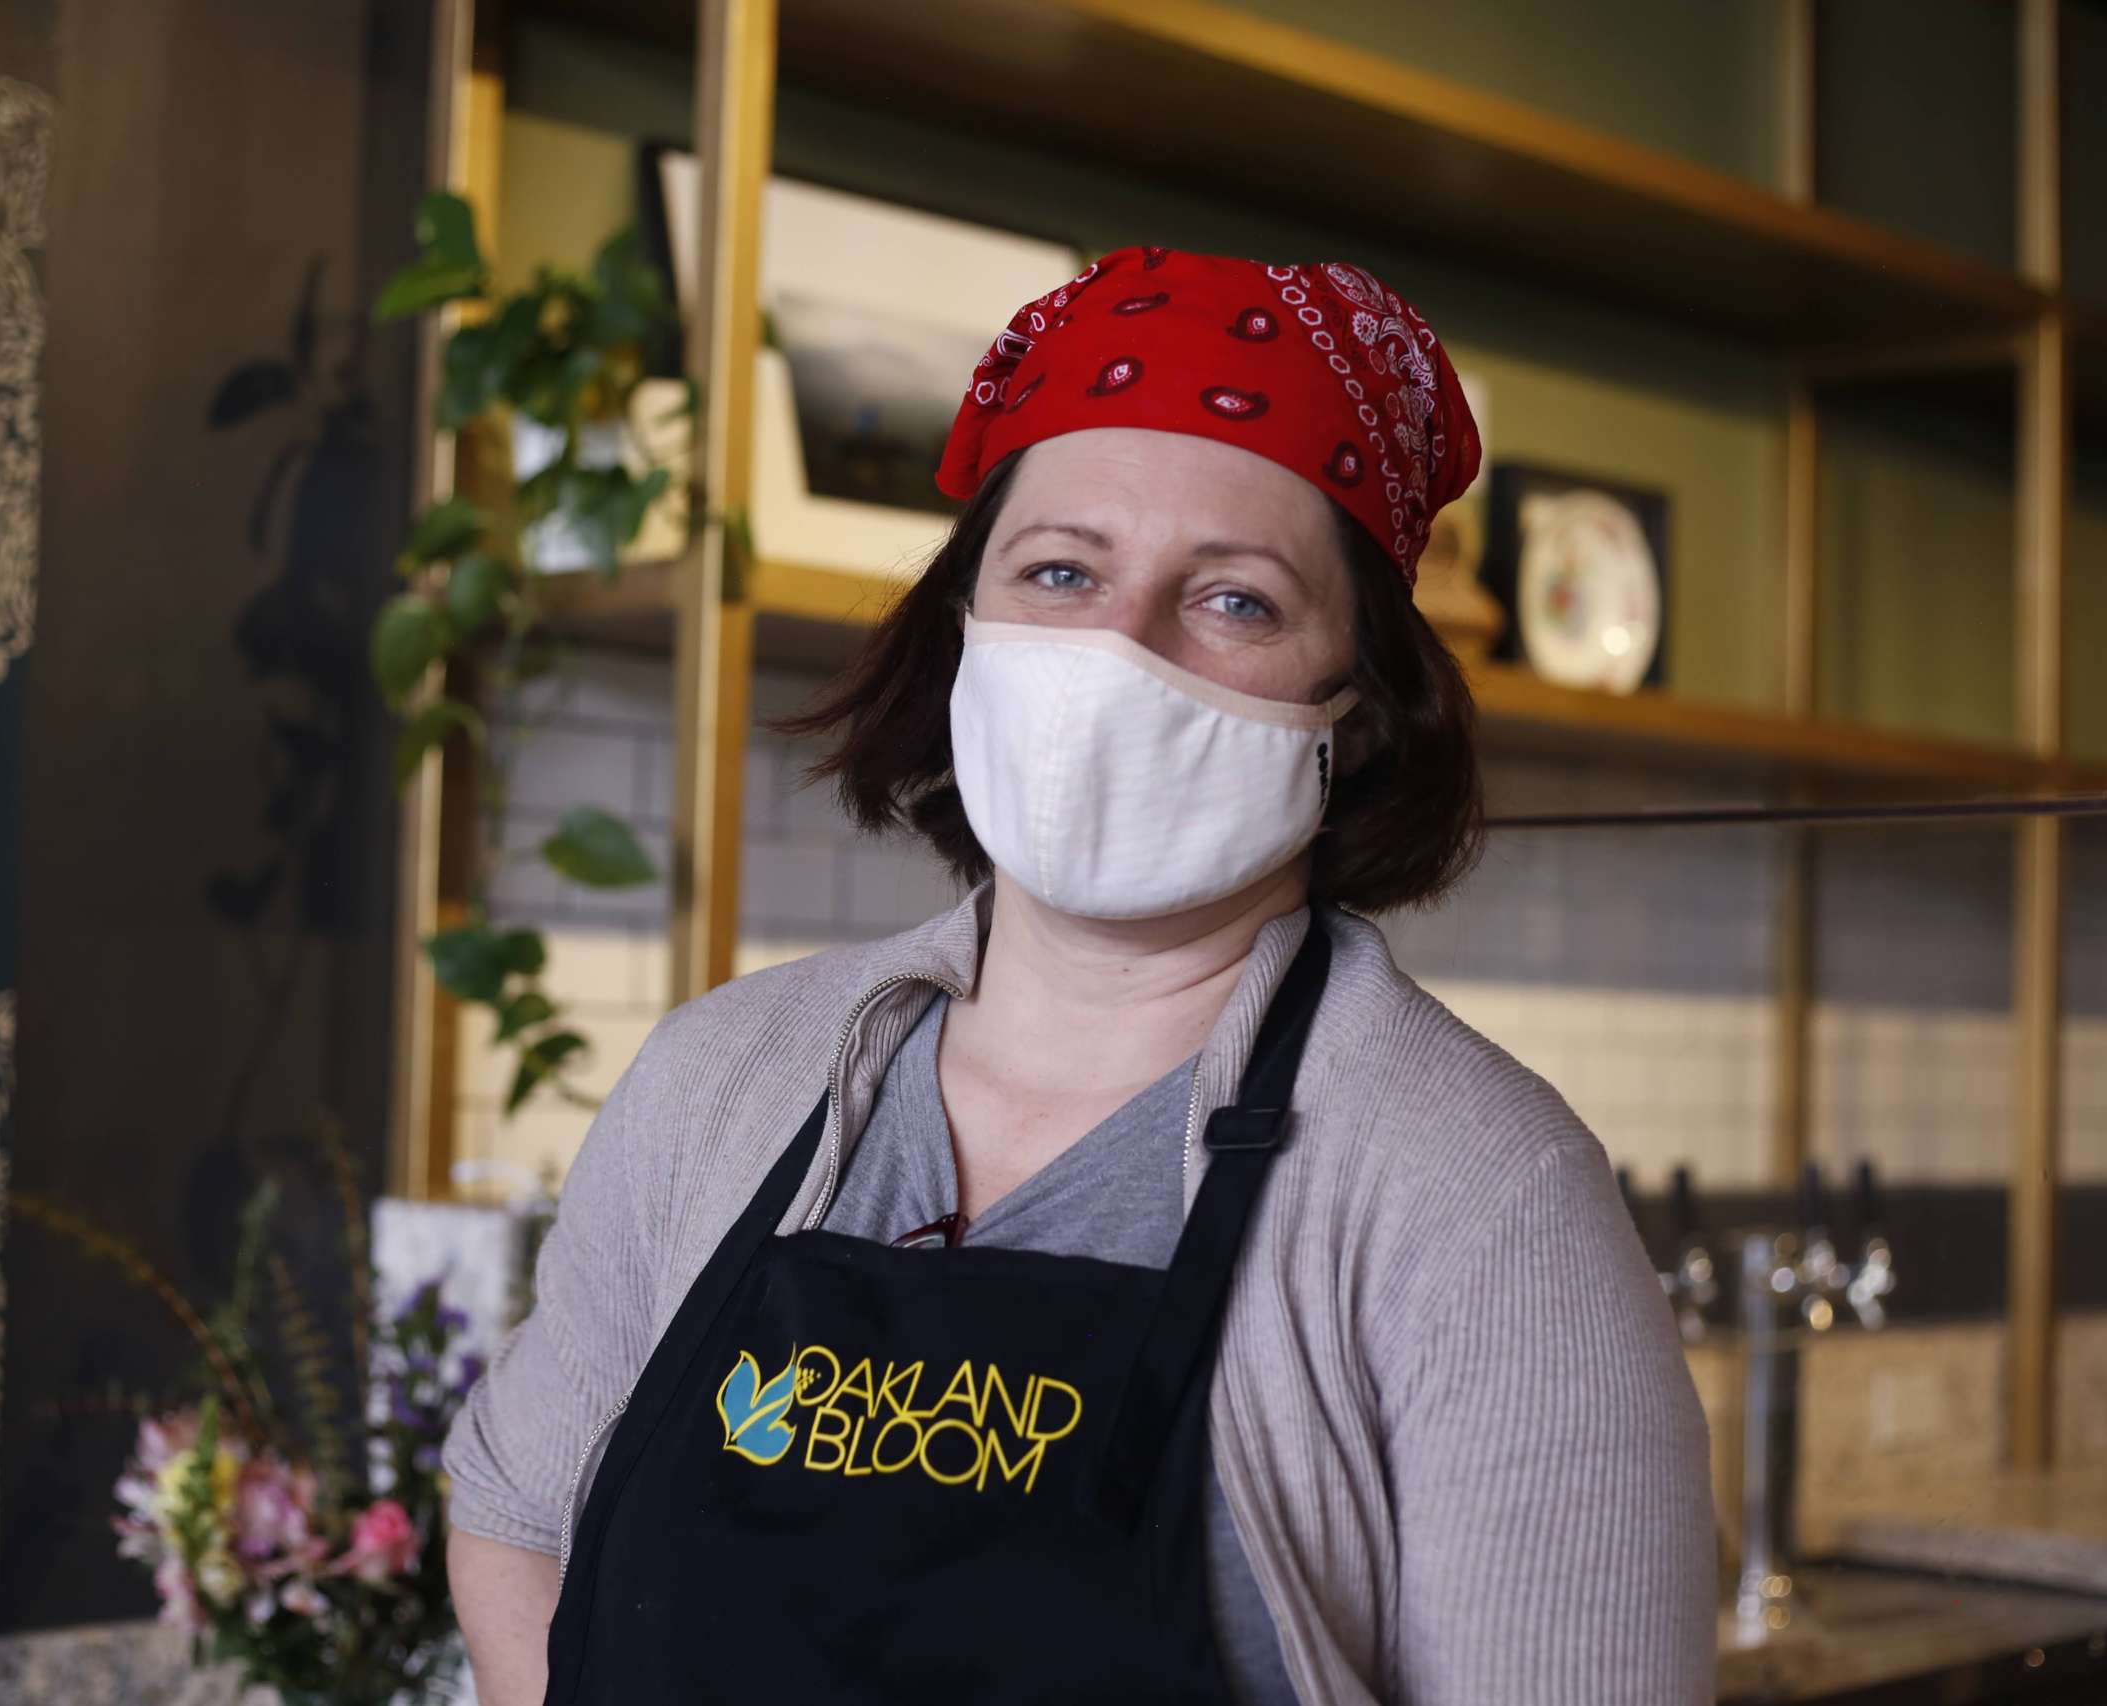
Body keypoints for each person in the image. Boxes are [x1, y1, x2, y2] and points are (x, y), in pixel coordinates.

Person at [443, 246, 1715, 1705]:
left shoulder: (1482, 1193)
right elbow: (517, 1524)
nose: (1118, 649)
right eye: (1060, 571)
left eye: (1233, 599)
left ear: (1353, 714)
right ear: (963, 629)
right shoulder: (718, 1079)